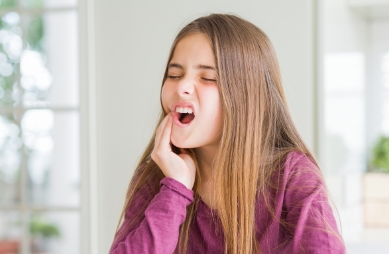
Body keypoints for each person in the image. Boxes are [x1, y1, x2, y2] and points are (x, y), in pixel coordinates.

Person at [110, 14, 345, 254]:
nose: (182, 87)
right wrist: (174, 190)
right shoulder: (156, 179)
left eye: (208, 78)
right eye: (174, 75)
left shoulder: (292, 175)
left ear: (254, 100)